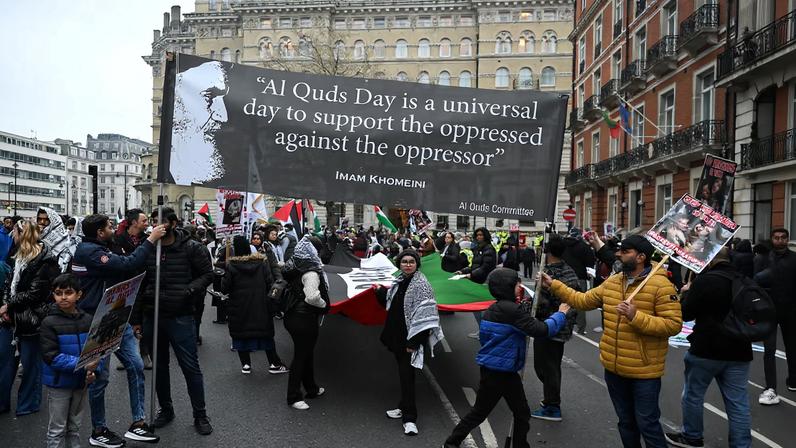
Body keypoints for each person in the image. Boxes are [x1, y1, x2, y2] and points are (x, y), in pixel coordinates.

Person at [539, 234, 682, 448]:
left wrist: (636, 317)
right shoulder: (615, 281)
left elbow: (673, 325)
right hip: (614, 367)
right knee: (626, 423)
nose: (618, 254)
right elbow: (584, 300)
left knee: (647, 424)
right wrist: (554, 285)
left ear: (641, 257)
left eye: (625, 252)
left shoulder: (661, 286)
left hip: (643, 371)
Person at [443, 268, 569, 448]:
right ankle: (451, 442)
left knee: (518, 412)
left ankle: (517, 445)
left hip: (500, 368)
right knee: (485, 412)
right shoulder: (511, 311)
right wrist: (561, 314)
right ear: (507, 287)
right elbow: (542, 330)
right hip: (500, 371)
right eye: (517, 284)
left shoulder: (495, 308)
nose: (520, 287)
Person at [72, 214, 166, 446]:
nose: (114, 228)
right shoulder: (89, 251)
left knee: (135, 365)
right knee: (100, 377)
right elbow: (126, 264)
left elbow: (128, 263)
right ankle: (99, 430)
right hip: (98, 320)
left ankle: (138, 424)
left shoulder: (103, 246)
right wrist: (150, 240)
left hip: (116, 314)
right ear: (99, 232)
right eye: (109, 226)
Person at [131, 207, 214, 435]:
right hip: (152, 315)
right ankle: (166, 410)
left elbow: (208, 274)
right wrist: (136, 318)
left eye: (162, 222)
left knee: (190, 367)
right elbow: (138, 284)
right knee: (159, 367)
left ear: (173, 223)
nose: (157, 226)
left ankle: (200, 414)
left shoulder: (192, 248)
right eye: (154, 222)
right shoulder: (147, 248)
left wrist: (189, 290)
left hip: (181, 316)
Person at [665, 248, 752, 448]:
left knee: (693, 395)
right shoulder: (743, 280)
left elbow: (685, 314)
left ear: (710, 260)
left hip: (707, 348)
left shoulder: (705, 281)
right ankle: (741, 444)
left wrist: (686, 293)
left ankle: (692, 436)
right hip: (740, 349)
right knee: (738, 403)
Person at [376, 250, 444, 436]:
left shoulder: (422, 285)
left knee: (407, 377)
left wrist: (414, 343)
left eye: (411, 261)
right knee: (405, 375)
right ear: (399, 264)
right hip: (397, 336)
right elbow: (391, 304)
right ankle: (402, 407)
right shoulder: (399, 280)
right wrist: (380, 291)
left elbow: (426, 317)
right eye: (404, 261)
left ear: (417, 264)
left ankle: (410, 418)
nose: (407, 264)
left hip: (410, 339)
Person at [0, 220, 60, 417]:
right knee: (7, 362)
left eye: (15, 233)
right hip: (13, 317)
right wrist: (6, 306)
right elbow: (10, 285)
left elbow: (35, 293)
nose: (12, 236)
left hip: (32, 319)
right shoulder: (17, 257)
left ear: (21, 234)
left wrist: (9, 305)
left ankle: (28, 404)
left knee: (30, 365)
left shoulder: (44, 260)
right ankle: (4, 402)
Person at [39, 273, 102, 448]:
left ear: (79, 294)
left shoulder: (88, 320)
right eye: (59, 293)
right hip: (59, 384)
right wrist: (84, 365)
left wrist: (94, 370)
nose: (64, 297)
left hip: (80, 383)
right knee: (57, 429)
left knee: (74, 427)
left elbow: (97, 351)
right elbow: (52, 357)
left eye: (69, 292)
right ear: (53, 295)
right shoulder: (48, 322)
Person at [221, 235, 288, 375]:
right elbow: (270, 283)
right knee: (265, 334)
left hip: (239, 306)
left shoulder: (231, 265)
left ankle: (246, 364)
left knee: (241, 333)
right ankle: (274, 363)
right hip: (260, 304)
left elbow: (225, 288)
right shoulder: (262, 263)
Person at [531, 236, 581, 422]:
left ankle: (552, 405)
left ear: (548, 251)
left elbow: (563, 300)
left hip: (551, 326)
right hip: (554, 325)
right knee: (546, 366)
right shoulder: (568, 270)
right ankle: (550, 397)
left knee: (547, 367)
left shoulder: (555, 274)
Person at [282, 236, 330, 410]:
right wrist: (324, 305)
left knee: (306, 354)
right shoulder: (311, 272)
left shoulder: (296, 264)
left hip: (293, 315)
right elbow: (312, 297)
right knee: (301, 357)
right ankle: (293, 396)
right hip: (304, 319)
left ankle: (312, 388)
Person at [754, 228, 796, 405]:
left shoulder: (794, 259)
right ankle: (770, 387)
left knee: (792, 346)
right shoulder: (763, 258)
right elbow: (754, 281)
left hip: (790, 309)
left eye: (783, 238)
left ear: (787, 239)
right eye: (776, 238)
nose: (780, 240)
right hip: (769, 309)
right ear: (772, 239)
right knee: (769, 350)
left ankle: (793, 380)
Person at [561, 227, 596, 334]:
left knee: (564, 300)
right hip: (580, 277)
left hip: (564, 276)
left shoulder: (562, 245)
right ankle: (581, 328)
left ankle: (562, 323)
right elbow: (590, 261)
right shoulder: (584, 246)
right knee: (580, 302)